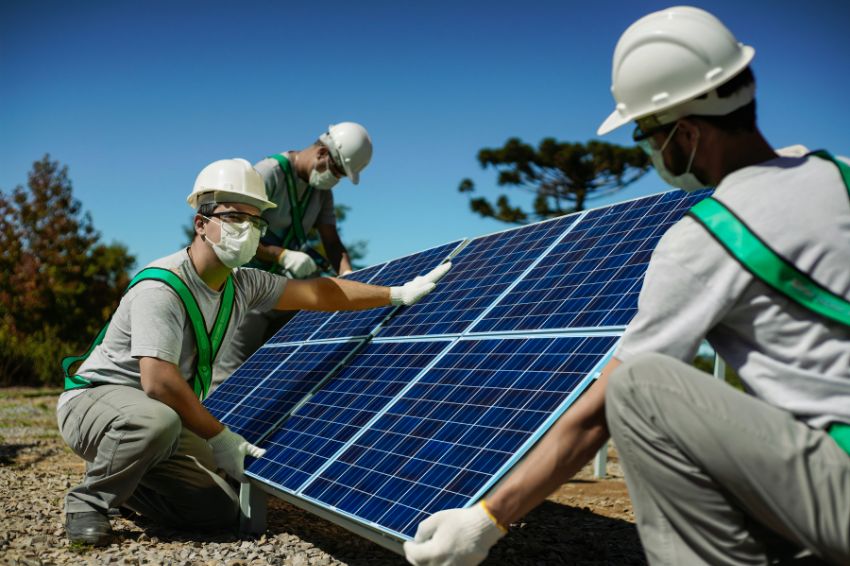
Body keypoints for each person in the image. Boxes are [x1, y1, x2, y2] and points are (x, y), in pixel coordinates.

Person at [404, 6, 850, 566]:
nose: (649, 150)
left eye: (647, 133)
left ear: (686, 132)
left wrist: (488, 518)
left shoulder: (706, 238)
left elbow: (600, 413)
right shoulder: (842, 173)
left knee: (639, 388)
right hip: (824, 480)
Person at [57, 157, 449, 546]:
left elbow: (319, 291)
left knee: (220, 512)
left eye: (255, 221)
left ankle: (127, 475)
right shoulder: (163, 288)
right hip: (98, 402)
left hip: (161, 414)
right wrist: (221, 436)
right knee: (155, 423)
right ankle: (88, 502)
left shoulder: (244, 284)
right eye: (233, 218)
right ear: (201, 224)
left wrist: (396, 293)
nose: (247, 230)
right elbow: (158, 382)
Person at [214, 122, 373, 386]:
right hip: (244, 288)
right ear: (322, 153)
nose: (334, 179)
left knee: (278, 372)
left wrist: (347, 273)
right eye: (335, 171)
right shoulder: (267, 174)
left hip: (283, 290)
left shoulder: (321, 192)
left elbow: (332, 241)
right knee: (229, 380)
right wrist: (281, 256)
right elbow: (233, 232)